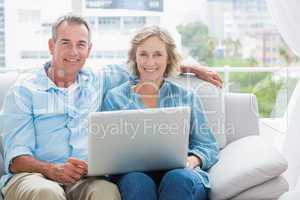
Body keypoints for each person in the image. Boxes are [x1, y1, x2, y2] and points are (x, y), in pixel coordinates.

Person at [0, 14, 221, 200]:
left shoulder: (97, 79)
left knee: (107, 193)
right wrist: (52, 169)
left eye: (81, 44)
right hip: (36, 176)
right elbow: (16, 159)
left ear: (89, 49)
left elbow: (150, 66)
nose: (73, 52)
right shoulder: (24, 91)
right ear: (51, 45)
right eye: (65, 43)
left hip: (84, 178)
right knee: (47, 193)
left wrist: (191, 68)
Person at [102, 26, 219, 200]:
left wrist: (191, 161)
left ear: (169, 58)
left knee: (177, 179)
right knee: (137, 182)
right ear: (135, 57)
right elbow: (106, 149)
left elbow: (207, 145)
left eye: (157, 54)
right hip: (133, 174)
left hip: (180, 175)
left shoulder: (186, 97)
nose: (150, 62)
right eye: (143, 54)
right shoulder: (116, 97)